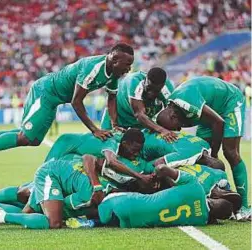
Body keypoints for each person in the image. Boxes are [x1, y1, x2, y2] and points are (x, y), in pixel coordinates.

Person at [0, 43, 134, 179]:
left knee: (33, 139)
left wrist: (115, 124)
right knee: (25, 137)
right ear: (114, 59)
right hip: (45, 93)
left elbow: (112, 99)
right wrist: (95, 130)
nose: (129, 69)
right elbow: (76, 101)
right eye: (127, 65)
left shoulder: (114, 75)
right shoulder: (93, 68)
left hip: (54, 99)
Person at [163, 76, 250, 216]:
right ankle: (223, 191)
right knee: (203, 157)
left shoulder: (185, 101)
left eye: (177, 126)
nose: (179, 129)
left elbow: (219, 122)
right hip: (208, 113)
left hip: (229, 104)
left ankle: (245, 207)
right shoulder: (172, 107)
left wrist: (215, 154)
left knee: (230, 152)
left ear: (173, 115)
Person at [0, 155, 116, 230]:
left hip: (59, 177)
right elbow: (67, 206)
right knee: (54, 222)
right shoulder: (90, 194)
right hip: (49, 175)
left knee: (26, 214)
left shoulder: (100, 183)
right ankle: (0, 216)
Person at [96, 165, 241, 228]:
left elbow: (161, 168)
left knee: (109, 195)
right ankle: (94, 221)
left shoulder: (196, 187)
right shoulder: (202, 220)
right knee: (108, 217)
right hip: (130, 224)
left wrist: (157, 176)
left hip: (124, 203)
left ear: (214, 199)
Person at [44, 128, 153, 184]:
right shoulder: (112, 143)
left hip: (75, 153)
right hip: (65, 144)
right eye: (134, 150)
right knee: (45, 176)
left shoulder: (124, 140)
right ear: (124, 144)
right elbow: (112, 162)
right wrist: (139, 176)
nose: (136, 154)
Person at [100, 68, 177, 142]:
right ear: (145, 80)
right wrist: (162, 130)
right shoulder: (134, 81)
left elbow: (173, 114)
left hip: (141, 123)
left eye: (156, 91)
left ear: (163, 86)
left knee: (136, 149)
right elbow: (139, 115)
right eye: (148, 88)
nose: (151, 94)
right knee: (105, 143)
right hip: (117, 116)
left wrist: (169, 130)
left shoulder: (168, 89)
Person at [142, 109, 225, 170]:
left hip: (149, 132)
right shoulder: (187, 155)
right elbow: (157, 164)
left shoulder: (206, 145)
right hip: (142, 145)